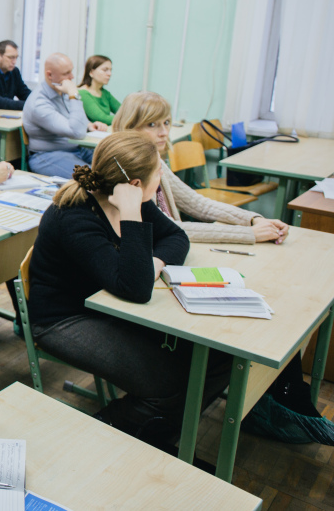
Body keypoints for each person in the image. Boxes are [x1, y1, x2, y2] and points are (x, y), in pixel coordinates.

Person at [27, 131, 231, 448]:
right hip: (63, 320)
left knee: (217, 355)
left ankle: (160, 433)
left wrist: (155, 263)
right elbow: (136, 288)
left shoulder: (129, 199)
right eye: (157, 174)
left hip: (107, 307)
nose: (161, 178)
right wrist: (132, 214)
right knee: (166, 385)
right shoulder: (74, 217)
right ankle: (99, 436)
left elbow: (177, 238)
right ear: (134, 186)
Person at [113, 91, 288, 245]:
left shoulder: (153, 159)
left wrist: (253, 220)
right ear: (129, 127)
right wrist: (248, 234)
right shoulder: (126, 171)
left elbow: (197, 204)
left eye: (166, 122)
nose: (164, 132)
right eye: (152, 124)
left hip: (170, 246)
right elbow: (168, 228)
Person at [22, 52, 106, 178]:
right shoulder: (39, 103)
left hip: (76, 149)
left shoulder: (62, 91)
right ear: (49, 75)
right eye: (66, 73)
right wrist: (74, 95)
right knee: (92, 178)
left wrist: (89, 125)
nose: (71, 77)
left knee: (115, 163)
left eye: (71, 72)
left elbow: (78, 120)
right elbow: (77, 133)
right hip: (48, 155)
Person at [0, 40, 32, 110]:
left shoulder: (14, 71)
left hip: (4, 115)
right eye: (10, 57)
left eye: (16, 57)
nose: (14, 62)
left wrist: (37, 101)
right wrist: (27, 105)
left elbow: (24, 92)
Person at [78, 54, 120, 125]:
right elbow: (102, 118)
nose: (109, 74)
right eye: (105, 70)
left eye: (110, 70)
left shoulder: (105, 93)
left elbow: (124, 111)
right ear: (91, 72)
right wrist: (127, 118)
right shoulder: (82, 93)